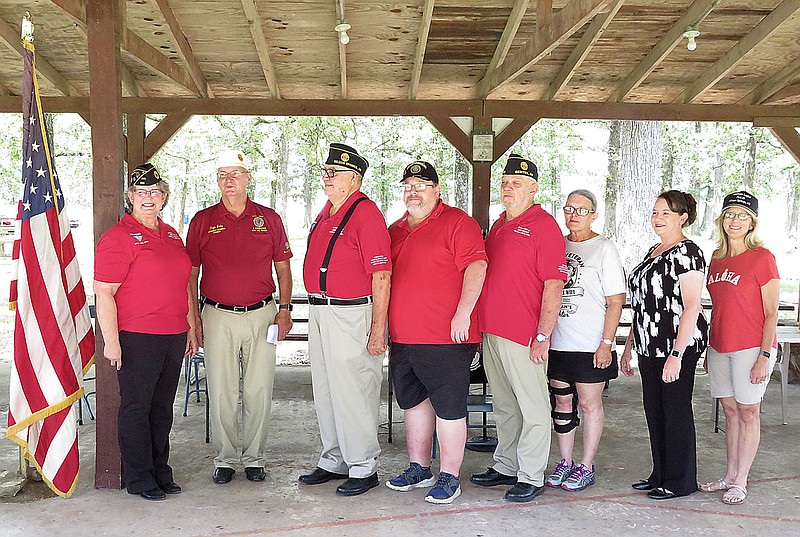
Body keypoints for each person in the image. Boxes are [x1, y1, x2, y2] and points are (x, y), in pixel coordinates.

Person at [186, 149, 293, 485]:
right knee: (222, 390)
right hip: (216, 314)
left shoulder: (269, 218)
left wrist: (285, 310)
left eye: (235, 174)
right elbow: (190, 275)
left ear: (249, 177)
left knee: (260, 388)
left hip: (262, 314)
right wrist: (194, 320)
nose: (229, 181)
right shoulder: (203, 220)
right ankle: (227, 458)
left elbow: (284, 268)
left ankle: (255, 458)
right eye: (222, 175)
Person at [385, 161, 487, 504]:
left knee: (449, 408)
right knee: (413, 404)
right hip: (403, 337)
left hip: (446, 337)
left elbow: (477, 266)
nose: (414, 192)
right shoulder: (396, 228)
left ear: (437, 189)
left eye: (422, 185)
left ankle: (449, 475)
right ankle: (419, 468)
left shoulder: (458, 222)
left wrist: (463, 313)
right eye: (408, 185)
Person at [94, 163, 197, 501]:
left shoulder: (170, 234)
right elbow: (104, 292)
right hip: (137, 336)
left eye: (155, 192)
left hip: (173, 334)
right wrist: (112, 343)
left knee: (162, 407)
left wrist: (190, 328)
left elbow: (183, 285)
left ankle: (159, 470)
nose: (148, 198)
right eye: (141, 192)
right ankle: (139, 477)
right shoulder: (118, 237)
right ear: (130, 197)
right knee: (137, 407)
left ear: (164, 197)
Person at [471, 153, 567, 503]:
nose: (508, 188)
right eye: (505, 183)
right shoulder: (499, 224)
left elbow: (554, 285)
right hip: (493, 331)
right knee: (505, 405)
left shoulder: (544, 226)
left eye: (517, 184)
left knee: (533, 406)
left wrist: (543, 335)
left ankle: (531, 474)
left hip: (524, 334)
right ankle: (506, 464)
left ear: (534, 189)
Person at [299, 143, 391, 497]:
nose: (326, 177)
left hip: (351, 311)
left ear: (354, 178)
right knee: (325, 388)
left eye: (332, 173)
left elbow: (381, 275)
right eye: (325, 171)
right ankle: (334, 457)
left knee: (354, 390)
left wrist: (378, 329)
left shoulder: (365, 213)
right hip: (321, 310)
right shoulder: (327, 211)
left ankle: (363, 464)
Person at [621, 190, 708, 501]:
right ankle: (660, 473)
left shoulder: (688, 253)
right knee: (654, 410)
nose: (658, 218)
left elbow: (692, 306)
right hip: (648, 343)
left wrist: (677, 355)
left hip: (676, 345)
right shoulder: (654, 251)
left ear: (682, 218)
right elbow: (642, 304)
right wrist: (630, 343)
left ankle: (681, 480)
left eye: (666, 214)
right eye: (655, 212)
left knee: (675, 410)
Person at [700, 191, 779, 505]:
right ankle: (729, 475)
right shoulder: (717, 258)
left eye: (742, 215)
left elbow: (771, 311)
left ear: (752, 223)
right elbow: (718, 307)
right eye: (730, 214)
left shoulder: (763, 257)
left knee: (748, 413)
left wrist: (764, 355)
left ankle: (741, 481)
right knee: (730, 411)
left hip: (751, 347)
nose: (735, 220)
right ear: (722, 219)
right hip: (720, 345)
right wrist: (709, 347)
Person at [545, 189, 626, 492]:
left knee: (590, 404)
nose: (574, 214)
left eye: (581, 209)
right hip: (558, 342)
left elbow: (616, 300)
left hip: (590, 343)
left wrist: (606, 342)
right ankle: (565, 461)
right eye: (569, 208)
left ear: (594, 215)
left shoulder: (604, 248)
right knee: (562, 403)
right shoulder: (557, 244)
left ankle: (586, 465)